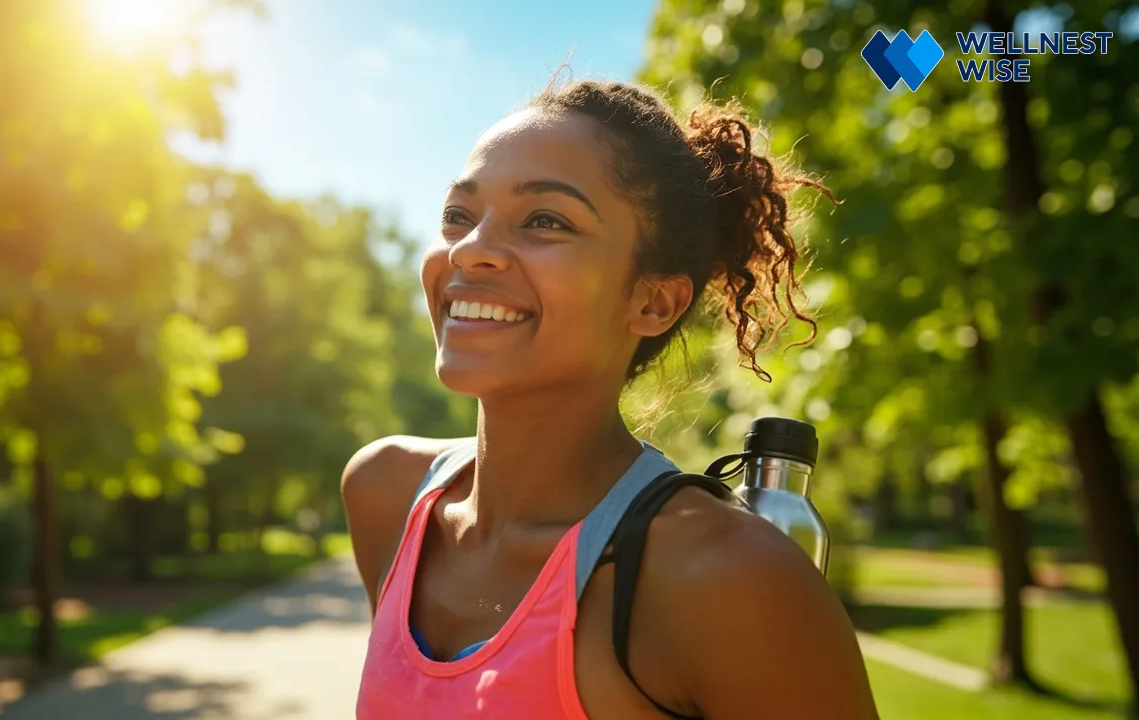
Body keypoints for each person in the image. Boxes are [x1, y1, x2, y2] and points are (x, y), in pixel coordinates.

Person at [343, 78, 880, 719]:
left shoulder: (727, 578)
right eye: (458, 214)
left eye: (545, 220)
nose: (471, 249)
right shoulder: (385, 491)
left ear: (653, 301)